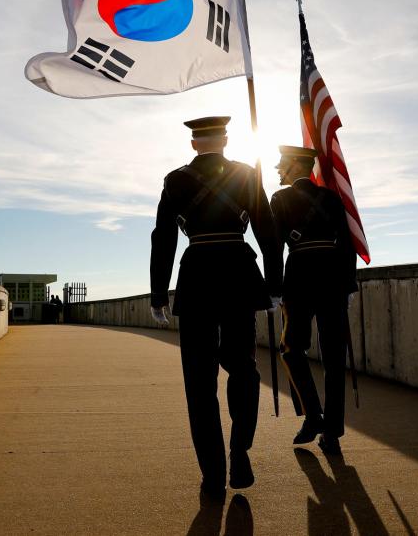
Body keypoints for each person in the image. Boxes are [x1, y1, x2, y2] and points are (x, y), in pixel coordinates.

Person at [149, 116, 283, 498]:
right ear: (225, 140)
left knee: (199, 381)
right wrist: (275, 285)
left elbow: (163, 238)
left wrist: (159, 293)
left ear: (194, 145)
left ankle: (212, 475)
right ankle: (240, 451)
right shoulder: (246, 174)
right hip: (239, 275)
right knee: (244, 369)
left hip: (196, 280)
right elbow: (268, 231)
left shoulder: (175, 180)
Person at [270, 145, 358, 455]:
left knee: (292, 348)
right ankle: (331, 431)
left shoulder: (279, 199)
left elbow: (274, 247)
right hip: (333, 277)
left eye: (282, 163)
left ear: (296, 165)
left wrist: (274, 288)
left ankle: (312, 415)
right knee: (334, 357)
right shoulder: (333, 200)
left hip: (300, 277)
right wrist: (348, 285)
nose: (278, 168)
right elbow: (347, 245)